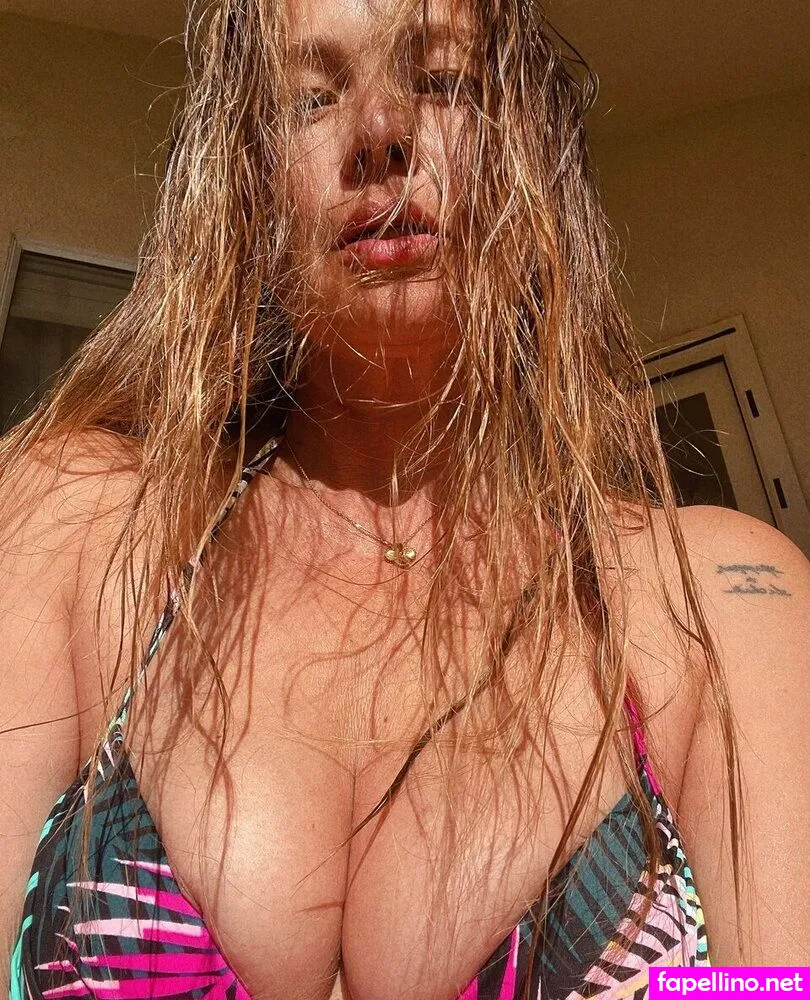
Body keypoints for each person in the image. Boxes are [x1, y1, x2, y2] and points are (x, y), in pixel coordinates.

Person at [1, 0, 809, 996]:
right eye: (311, 97)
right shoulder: (83, 527)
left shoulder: (722, 606)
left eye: (440, 81)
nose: (380, 131)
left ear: (525, 150)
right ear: (246, 178)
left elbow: (782, 985)